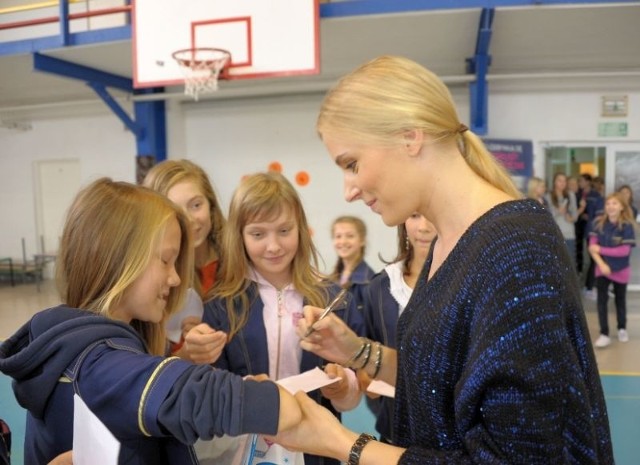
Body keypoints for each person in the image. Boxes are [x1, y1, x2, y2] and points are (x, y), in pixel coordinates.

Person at [268, 55, 613, 464]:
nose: (350, 190)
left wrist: (340, 442)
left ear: (410, 137)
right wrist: (357, 351)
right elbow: (445, 383)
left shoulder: (515, 250)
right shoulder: (448, 245)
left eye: (352, 164)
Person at [0, 178, 302, 464]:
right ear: (119, 259)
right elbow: (212, 397)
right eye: (165, 260)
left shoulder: (77, 345)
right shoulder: (100, 364)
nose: (174, 279)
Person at [203, 172, 365, 465]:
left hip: (318, 450)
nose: (274, 246)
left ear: (301, 229)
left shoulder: (333, 300)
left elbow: (353, 387)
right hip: (244, 450)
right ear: (239, 236)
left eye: (284, 231)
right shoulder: (221, 305)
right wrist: (244, 391)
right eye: (258, 234)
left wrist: (343, 387)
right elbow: (212, 390)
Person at [143, 159, 227, 364]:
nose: (188, 219)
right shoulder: (151, 279)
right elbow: (149, 365)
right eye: (175, 212)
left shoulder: (239, 262)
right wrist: (188, 353)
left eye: (196, 205)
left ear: (211, 206)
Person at [363, 213, 436, 444]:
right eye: (414, 215)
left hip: (453, 440)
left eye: (431, 215)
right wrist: (366, 377)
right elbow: (367, 350)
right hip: (393, 432)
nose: (423, 227)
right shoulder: (381, 287)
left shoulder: (469, 280)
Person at [589, 192, 636, 348]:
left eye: (614, 203)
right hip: (602, 268)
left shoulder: (627, 226)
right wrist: (601, 265)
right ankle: (604, 333)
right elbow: (591, 248)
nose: (610, 206)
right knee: (601, 302)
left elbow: (624, 251)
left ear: (622, 207)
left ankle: (622, 328)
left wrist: (601, 249)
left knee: (620, 300)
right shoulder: (598, 223)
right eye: (608, 203)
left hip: (621, 270)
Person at [330, 215, 376, 313]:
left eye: (350, 236)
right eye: (338, 236)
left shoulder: (368, 282)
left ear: (362, 240)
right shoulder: (333, 278)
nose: (343, 241)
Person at [544, 172, 578, 268]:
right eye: (559, 180)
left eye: (564, 181)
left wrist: (570, 217)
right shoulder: (548, 196)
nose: (562, 183)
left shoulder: (571, 195)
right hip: (554, 233)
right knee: (555, 263)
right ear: (554, 182)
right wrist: (558, 211)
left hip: (569, 233)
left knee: (570, 262)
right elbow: (546, 217)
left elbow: (575, 216)